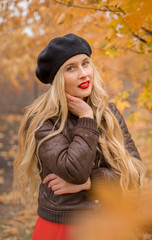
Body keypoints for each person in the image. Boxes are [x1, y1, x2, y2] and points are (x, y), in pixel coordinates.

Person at [13, 33, 144, 240]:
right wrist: (86, 118)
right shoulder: (43, 121)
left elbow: (135, 174)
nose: (83, 74)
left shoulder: (109, 112)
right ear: (57, 79)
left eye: (85, 63)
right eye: (71, 68)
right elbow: (75, 172)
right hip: (64, 228)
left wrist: (91, 183)